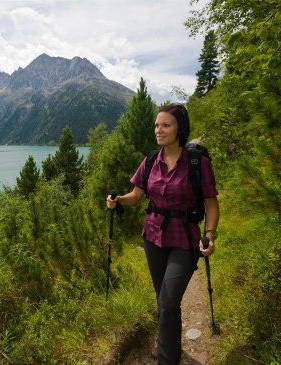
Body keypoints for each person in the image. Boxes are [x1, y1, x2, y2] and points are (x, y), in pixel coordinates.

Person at [106, 103, 219, 365]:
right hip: (153, 238)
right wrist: (118, 199)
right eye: (157, 125)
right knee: (162, 298)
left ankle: (167, 359)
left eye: (166, 125)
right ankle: (166, 342)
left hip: (184, 239)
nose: (159, 130)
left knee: (169, 302)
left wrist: (210, 236)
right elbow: (136, 196)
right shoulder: (150, 161)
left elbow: (211, 203)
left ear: (179, 128)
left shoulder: (197, 163)